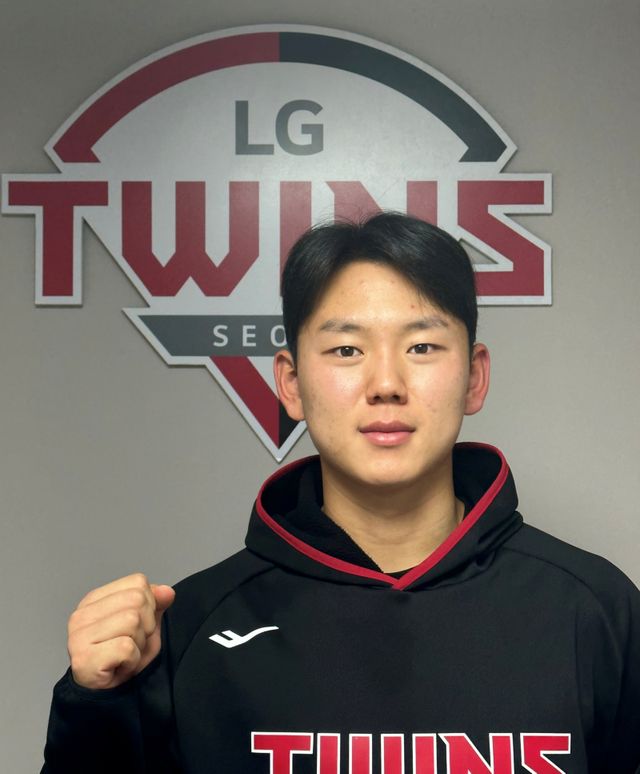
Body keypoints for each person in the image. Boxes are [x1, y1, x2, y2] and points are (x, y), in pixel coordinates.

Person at [41, 213, 640, 773]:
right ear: (291, 383)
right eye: (347, 349)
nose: (386, 384)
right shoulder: (190, 628)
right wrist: (94, 706)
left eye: (422, 347)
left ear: (474, 377)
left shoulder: (596, 611)